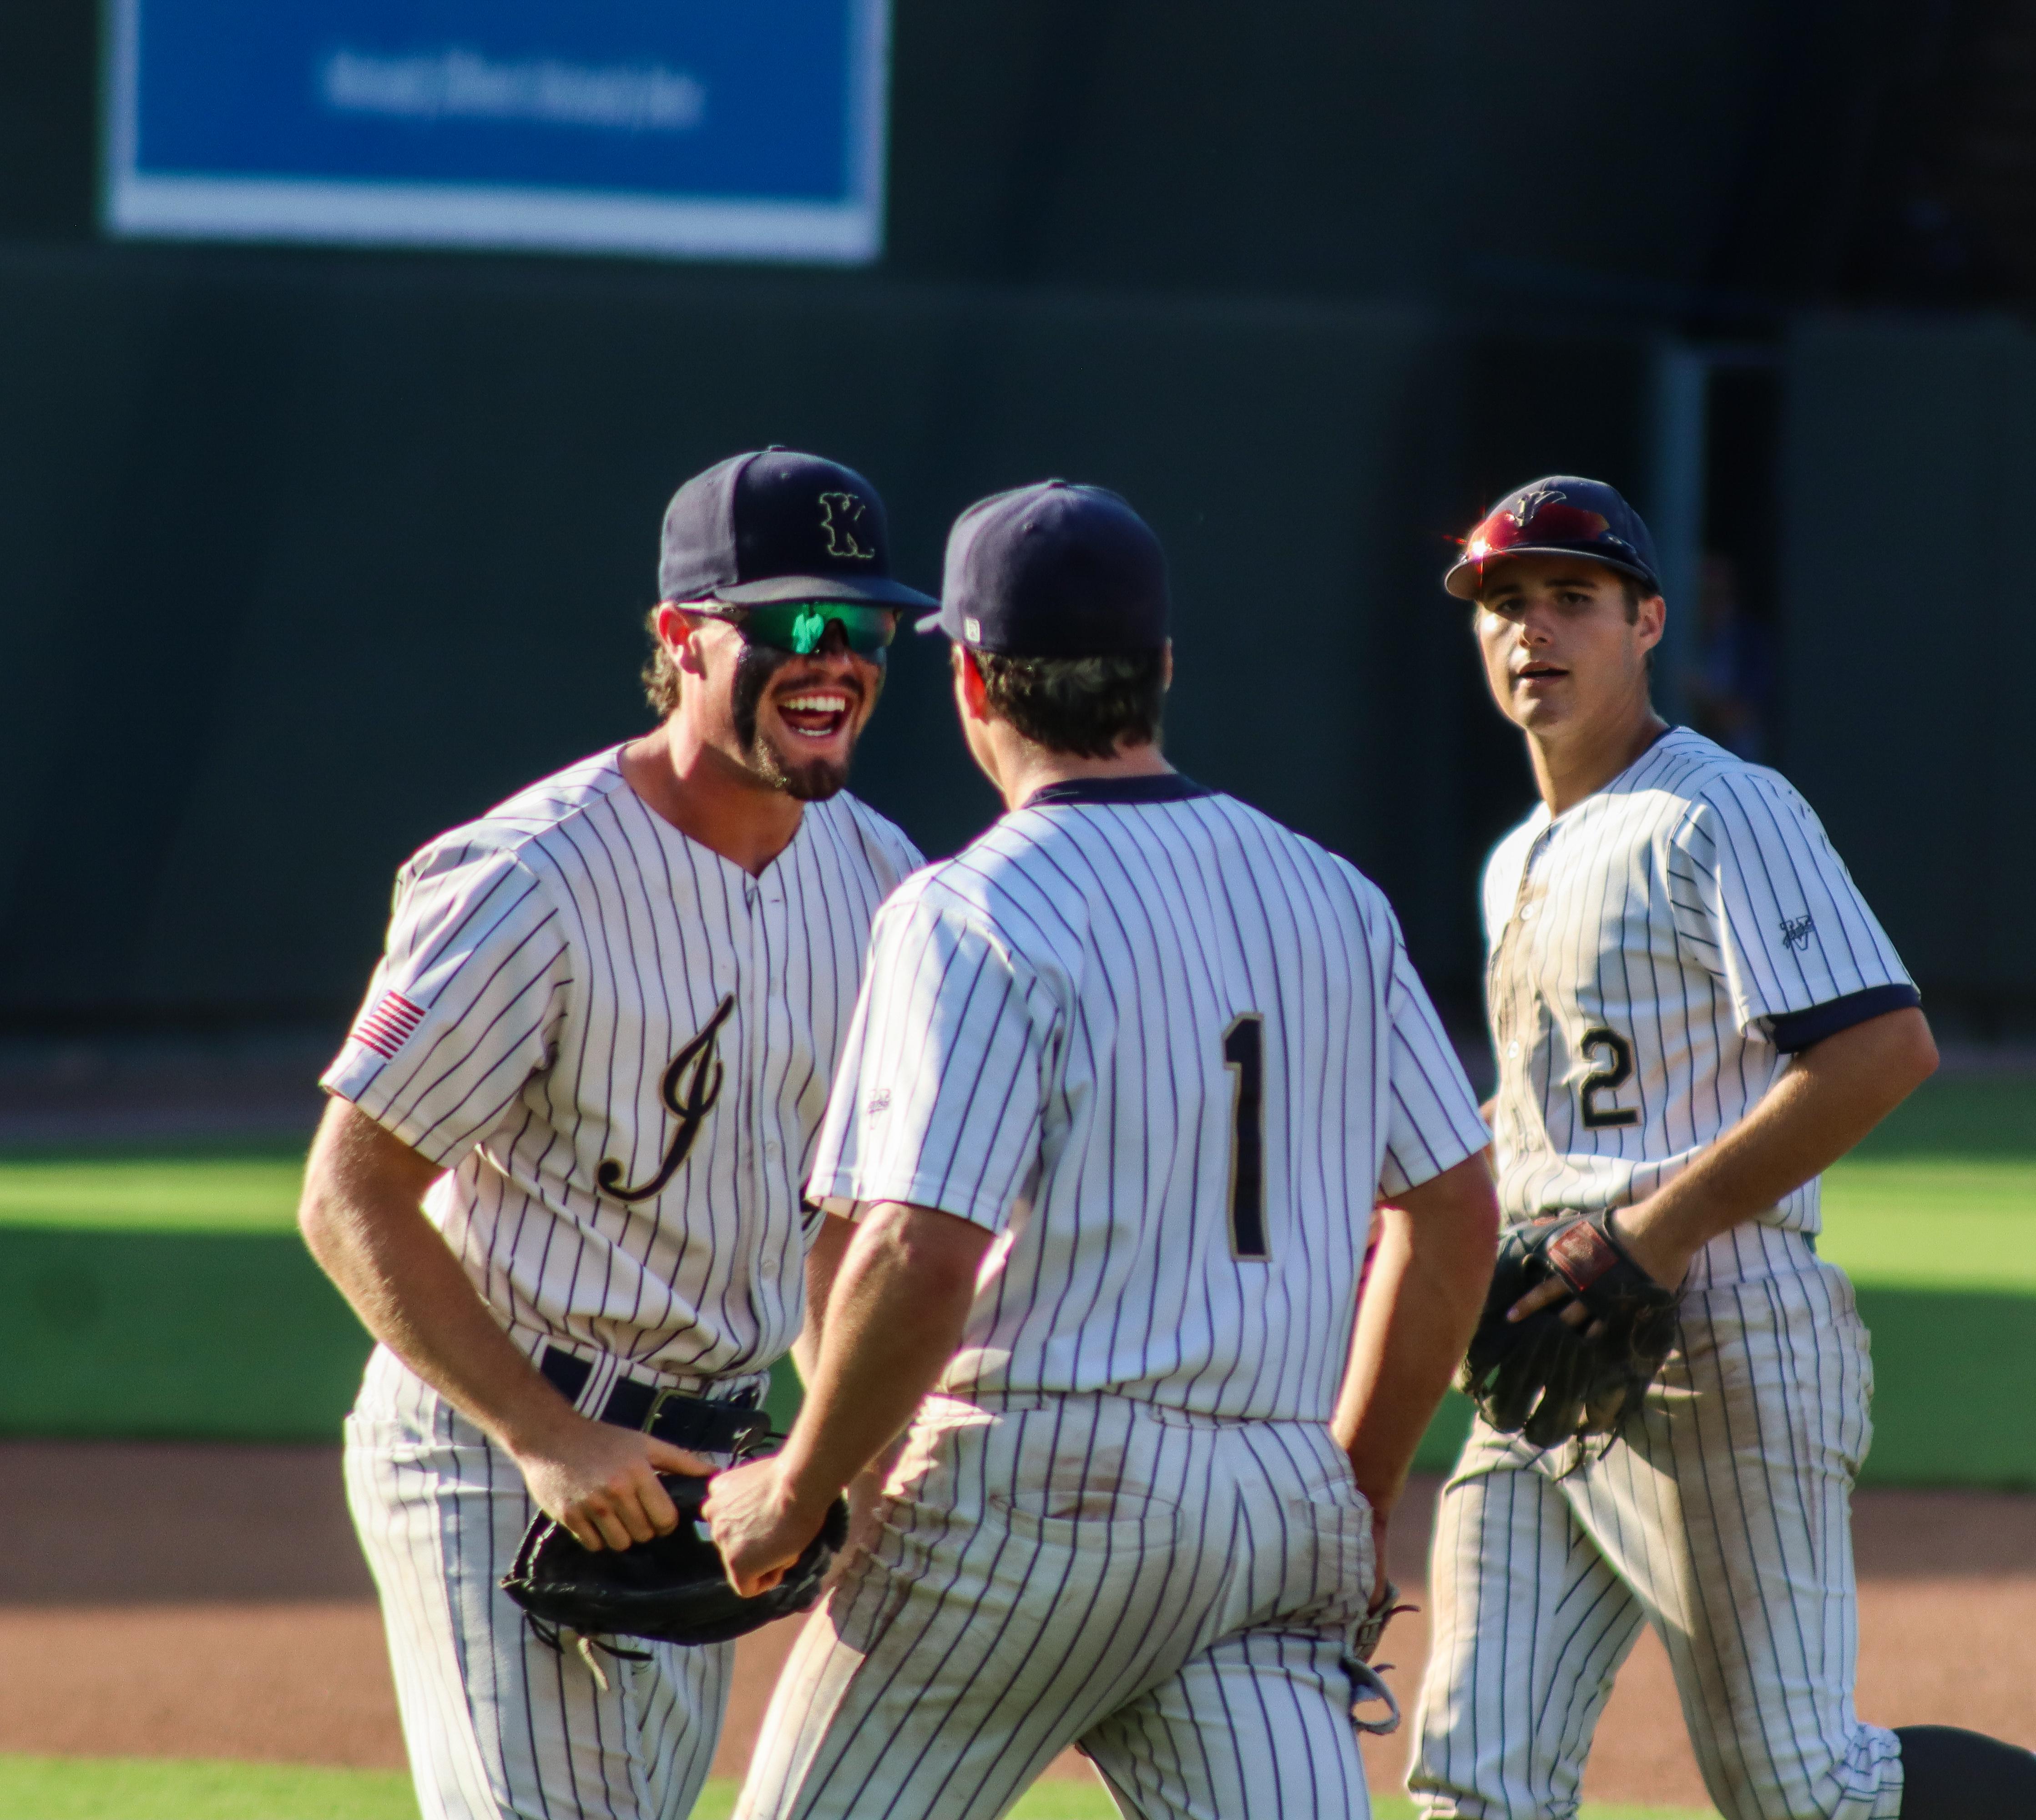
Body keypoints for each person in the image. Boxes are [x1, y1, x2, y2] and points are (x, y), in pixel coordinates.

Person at [1407, 475, 2036, 1820]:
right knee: (1474, 1777)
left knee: (1804, 1789)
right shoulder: (1518, 854)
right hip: (1551, 1338)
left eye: (1573, 599)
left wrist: (1649, 1235)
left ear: (1648, 624)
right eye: (1506, 604)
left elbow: (1881, 1050)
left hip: (1724, 1327)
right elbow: (1544, 1115)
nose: (1535, 630)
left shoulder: (1718, 811)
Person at [704, 480, 1502, 1820]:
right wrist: (1353, 1492)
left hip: (1035, 1502)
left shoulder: (967, 910)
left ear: (970, 679)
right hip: (1273, 1508)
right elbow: (1456, 1211)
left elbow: (915, 1248)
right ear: (1163, 670)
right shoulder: (1332, 896)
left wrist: (800, 1489)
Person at [298, 448, 931, 1820]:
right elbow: (350, 1193)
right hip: (494, 1448)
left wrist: (845, 1449)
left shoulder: (888, 881)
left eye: (867, 625)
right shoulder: (529, 877)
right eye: (794, 624)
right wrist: (545, 1437)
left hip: (705, 1474)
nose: (837, 658)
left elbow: (837, 1227)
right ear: (682, 639)